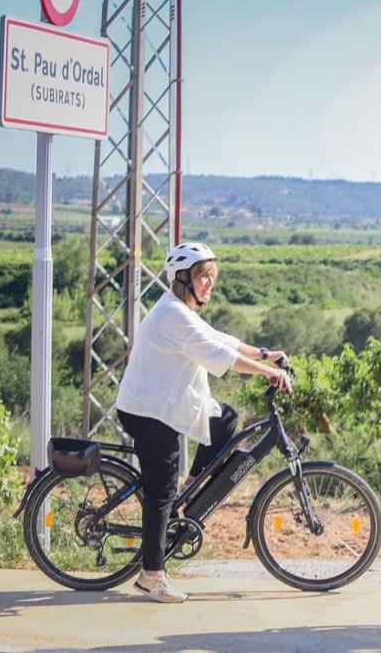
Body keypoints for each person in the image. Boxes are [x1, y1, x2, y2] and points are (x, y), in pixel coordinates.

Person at [114, 242, 293, 603]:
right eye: (202, 276)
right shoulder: (173, 316)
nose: (210, 283)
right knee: (161, 492)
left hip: (164, 405)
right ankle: (152, 576)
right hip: (148, 413)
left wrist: (263, 353)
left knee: (225, 419)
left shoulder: (181, 311)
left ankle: (192, 486)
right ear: (183, 279)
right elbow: (218, 354)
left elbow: (219, 338)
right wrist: (267, 373)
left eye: (212, 276)